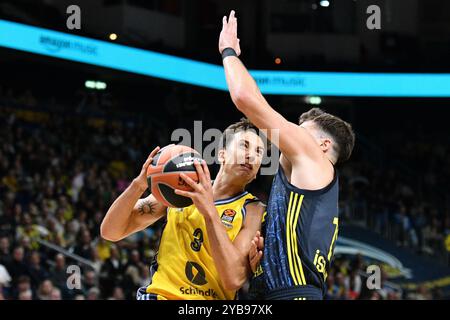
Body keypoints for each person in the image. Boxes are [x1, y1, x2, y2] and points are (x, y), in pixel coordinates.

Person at [219, 10, 355, 300]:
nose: (286, 137)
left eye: (298, 131)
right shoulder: (312, 190)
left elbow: (245, 99)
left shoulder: (313, 161)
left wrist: (228, 51)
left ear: (322, 146)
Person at [101, 118, 266, 300]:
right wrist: (139, 185)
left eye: (259, 152)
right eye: (244, 146)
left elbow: (233, 279)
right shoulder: (181, 190)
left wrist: (210, 213)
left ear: (258, 169)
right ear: (221, 155)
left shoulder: (254, 210)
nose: (251, 155)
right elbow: (110, 232)